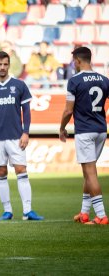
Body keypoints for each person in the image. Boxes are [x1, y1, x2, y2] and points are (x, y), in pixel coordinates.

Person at [0, 51, 44, 221]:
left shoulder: (19, 85)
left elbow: (26, 111)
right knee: (1, 172)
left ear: (9, 65)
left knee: (21, 170)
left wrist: (26, 132)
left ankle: (27, 211)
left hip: (15, 136)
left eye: (5, 64)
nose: (2, 67)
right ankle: (7, 211)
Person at [59, 46, 109, 225]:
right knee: (88, 172)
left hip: (85, 131)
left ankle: (102, 216)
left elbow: (68, 110)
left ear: (78, 61)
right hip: (101, 130)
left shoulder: (74, 81)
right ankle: (84, 213)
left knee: (91, 173)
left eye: (74, 61)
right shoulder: (104, 80)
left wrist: (62, 128)